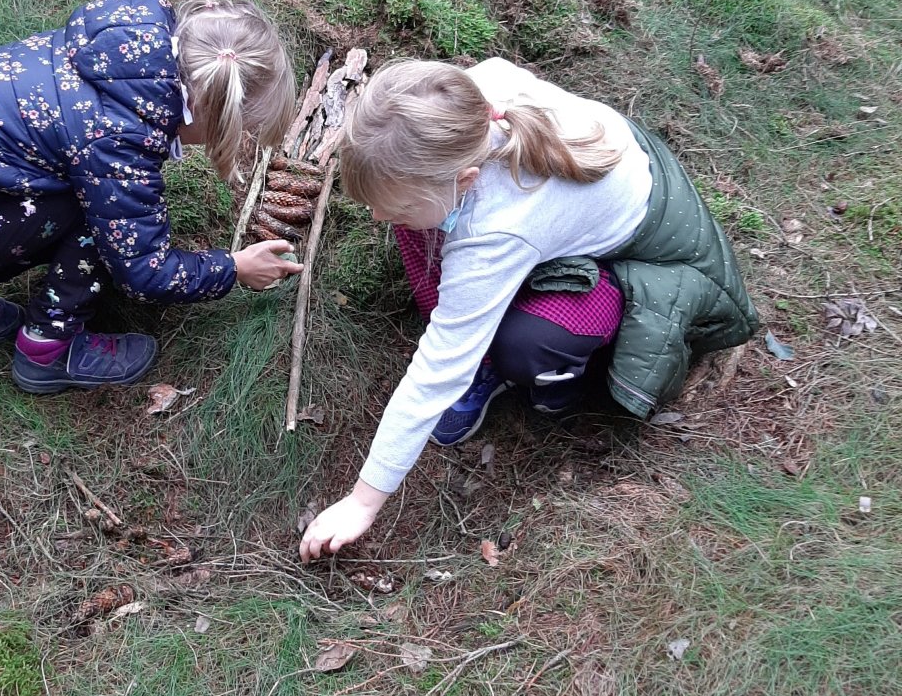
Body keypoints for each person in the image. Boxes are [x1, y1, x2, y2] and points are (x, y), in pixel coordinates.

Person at [299, 57, 757, 562]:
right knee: (419, 226)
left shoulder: (497, 231)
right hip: (598, 179)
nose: (377, 216)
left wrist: (362, 503)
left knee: (528, 343)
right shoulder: (461, 102)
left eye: (397, 204)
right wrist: (408, 212)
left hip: (654, 255)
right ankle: (476, 305)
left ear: (466, 180)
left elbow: (436, 371)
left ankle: (553, 385)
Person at [0, 0, 302, 394]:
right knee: (101, 218)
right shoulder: (117, 137)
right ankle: (47, 350)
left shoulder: (128, 49)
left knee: (101, 196)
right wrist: (233, 268)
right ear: (212, 109)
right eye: (240, 129)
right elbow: (145, 271)